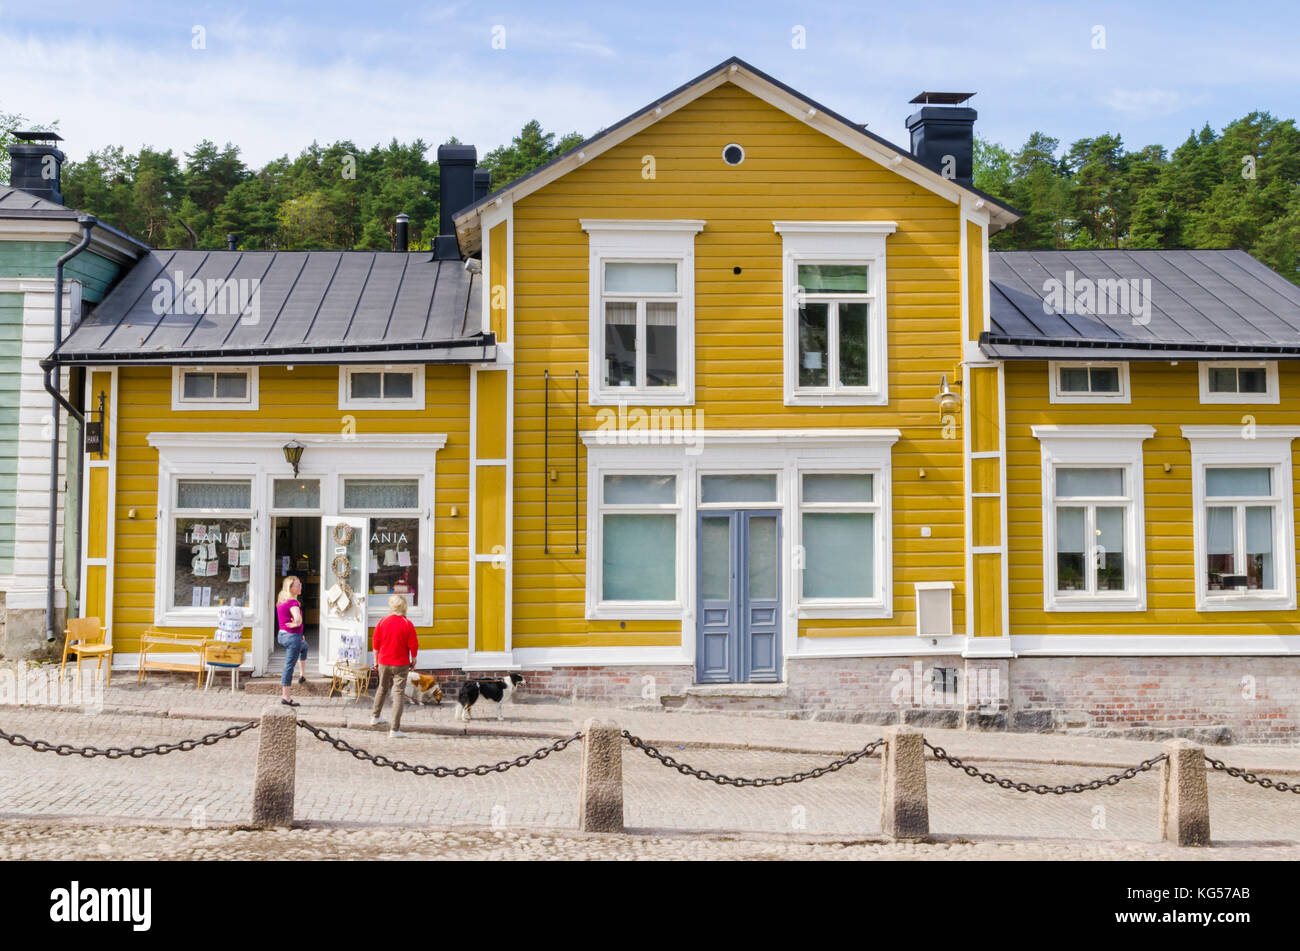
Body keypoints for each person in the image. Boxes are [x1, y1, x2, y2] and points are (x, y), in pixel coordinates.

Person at [369, 594, 418, 737]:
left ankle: (375, 716)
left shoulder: (382, 622)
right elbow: (413, 645)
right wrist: (413, 659)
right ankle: (394, 729)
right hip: (401, 663)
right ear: (404, 607)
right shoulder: (407, 623)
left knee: (382, 688)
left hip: (383, 661)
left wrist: (375, 660)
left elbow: (375, 644)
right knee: (398, 694)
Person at [276, 575, 308, 707]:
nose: (300, 587)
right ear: (291, 588)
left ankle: (302, 674)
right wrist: (297, 624)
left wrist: (299, 632)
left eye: (300, 584)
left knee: (304, 646)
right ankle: (286, 697)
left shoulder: (282, 602)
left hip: (282, 635)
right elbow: (298, 618)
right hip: (292, 638)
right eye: (297, 585)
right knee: (289, 666)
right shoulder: (293, 603)